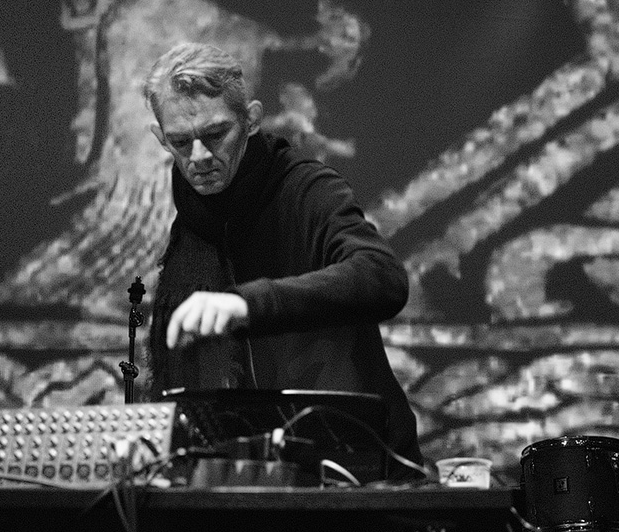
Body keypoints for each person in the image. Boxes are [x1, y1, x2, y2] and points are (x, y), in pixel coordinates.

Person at [142, 41, 423, 480]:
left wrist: (247, 303)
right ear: (161, 138)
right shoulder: (190, 225)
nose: (198, 157)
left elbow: (382, 276)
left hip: (359, 471)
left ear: (252, 120)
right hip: (258, 474)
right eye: (180, 142)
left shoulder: (307, 188)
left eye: (215, 135)